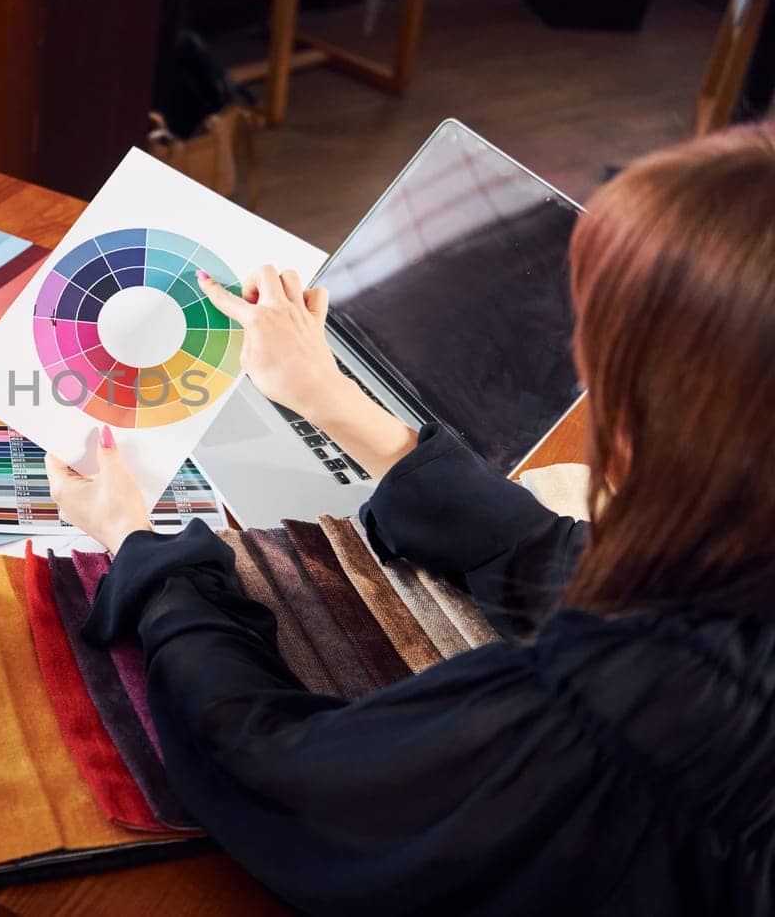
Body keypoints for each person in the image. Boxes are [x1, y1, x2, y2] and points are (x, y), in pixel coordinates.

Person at [45, 125, 775, 913]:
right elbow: (563, 562)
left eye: (602, 358)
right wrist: (330, 398)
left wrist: (138, 548)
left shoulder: (614, 715)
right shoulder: (734, 584)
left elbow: (276, 777)